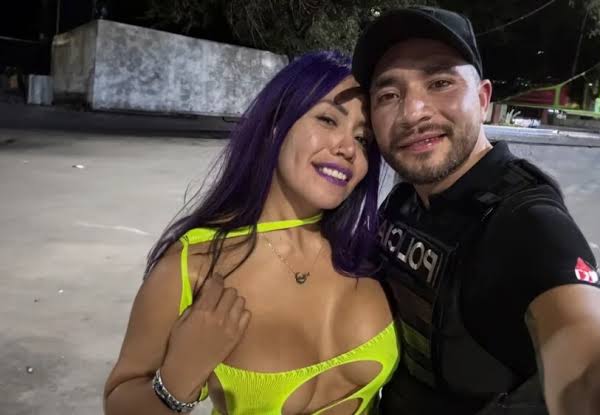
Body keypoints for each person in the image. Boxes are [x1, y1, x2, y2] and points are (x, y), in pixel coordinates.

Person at [351, 6, 600, 415]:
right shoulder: (406, 197)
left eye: (440, 83)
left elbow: (593, 363)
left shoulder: (523, 221)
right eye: (389, 95)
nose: (413, 112)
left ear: (483, 99)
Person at [103, 51, 399, 415]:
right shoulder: (194, 267)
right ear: (276, 124)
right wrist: (178, 377)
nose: (348, 148)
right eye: (327, 119)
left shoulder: (372, 255)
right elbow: (119, 400)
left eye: (363, 138)